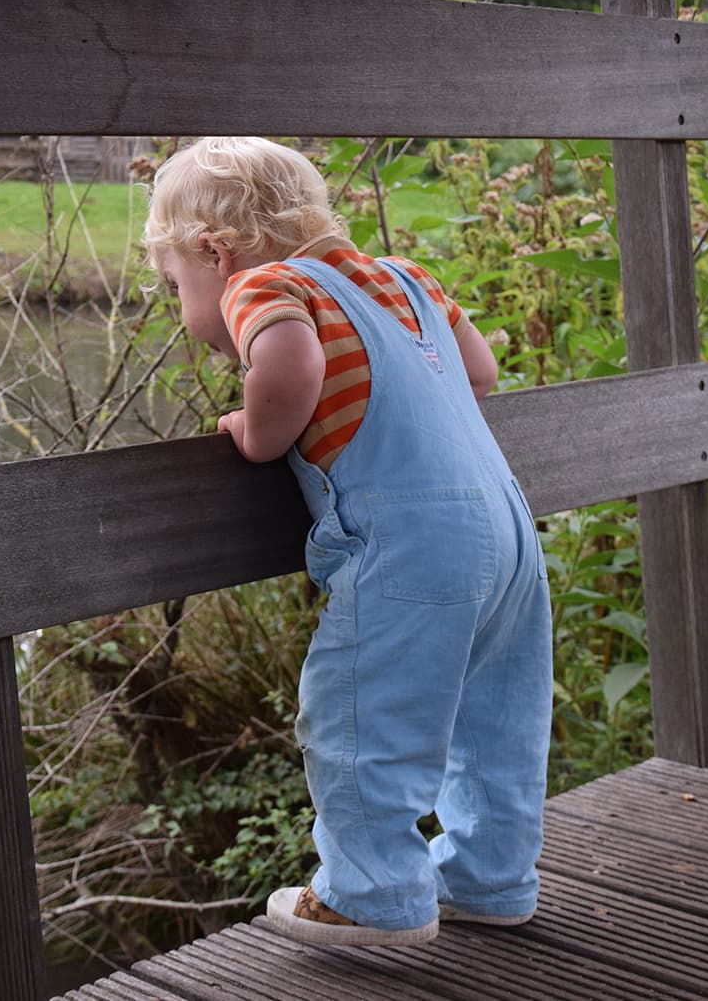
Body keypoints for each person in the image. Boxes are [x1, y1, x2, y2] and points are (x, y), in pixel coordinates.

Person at [145, 137, 552, 946]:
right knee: (495, 721)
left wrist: (257, 430)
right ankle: (491, 878)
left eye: (175, 285)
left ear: (214, 253)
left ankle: (372, 896)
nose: (182, 304)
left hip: (413, 544)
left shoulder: (265, 283)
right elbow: (480, 371)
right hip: (508, 532)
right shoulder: (404, 279)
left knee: (360, 719)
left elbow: (290, 367)